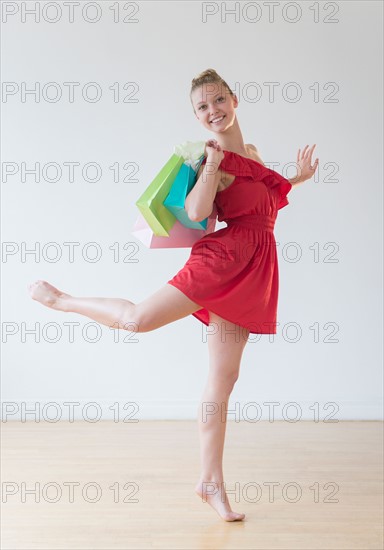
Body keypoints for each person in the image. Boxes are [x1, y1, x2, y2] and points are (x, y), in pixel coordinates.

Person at [28, 68, 318, 522]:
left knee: (223, 382)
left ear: (234, 100)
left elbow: (265, 203)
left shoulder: (255, 156)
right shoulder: (210, 158)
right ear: (198, 117)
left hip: (256, 268)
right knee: (137, 320)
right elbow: (201, 210)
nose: (212, 112)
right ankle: (63, 299)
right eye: (202, 107)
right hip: (221, 260)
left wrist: (298, 178)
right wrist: (215, 165)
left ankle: (210, 483)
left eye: (217, 100)